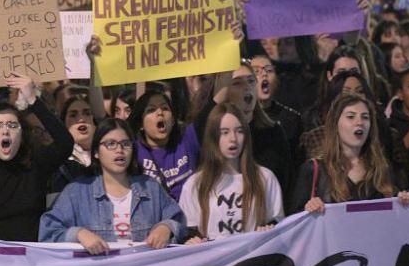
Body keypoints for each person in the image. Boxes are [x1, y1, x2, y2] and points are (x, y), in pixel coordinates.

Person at [0, 74, 74, 245]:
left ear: (22, 135)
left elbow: (65, 143)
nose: (5, 131)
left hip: (35, 257)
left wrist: (33, 99)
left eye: (12, 126)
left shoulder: (36, 163)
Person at [39, 118, 183, 253]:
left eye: (126, 144)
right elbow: (48, 232)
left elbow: (180, 221)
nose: (119, 150)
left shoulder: (150, 187)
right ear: (96, 152)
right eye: (110, 144)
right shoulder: (77, 191)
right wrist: (78, 234)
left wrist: (167, 227)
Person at [289, 94, 409, 213]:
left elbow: (393, 217)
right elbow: (296, 222)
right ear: (335, 124)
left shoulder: (382, 168)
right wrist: (309, 209)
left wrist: (404, 202)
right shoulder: (314, 170)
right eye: (351, 116)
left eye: (365, 117)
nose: (359, 122)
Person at [178, 103, 284, 241]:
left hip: (252, 259)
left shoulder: (265, 178)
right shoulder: (195, 184)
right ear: (214, 137)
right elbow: (187, 232)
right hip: (214, 261)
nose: (233, 139)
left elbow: (278, 225)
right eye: (225, 132)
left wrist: (268, 230)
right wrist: (192, 241)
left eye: (239, 131)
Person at [128, 89, 199, 201]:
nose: (160, 113)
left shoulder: (187, 138)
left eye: (165, 108)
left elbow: (213, 103)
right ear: (141, 123)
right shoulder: (132, 151)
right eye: (151, 110)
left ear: (173, 120)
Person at [251, 54, 302, 155]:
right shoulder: (240, 118)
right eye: (256, 71)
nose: (264, 74)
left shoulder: (292, 118)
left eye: (269, 70)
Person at [50, 96, 96, 193]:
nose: (81, 119)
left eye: (87, 113)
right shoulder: (59, 164)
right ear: (64, 124)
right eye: (73, 115)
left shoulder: (107, 154)